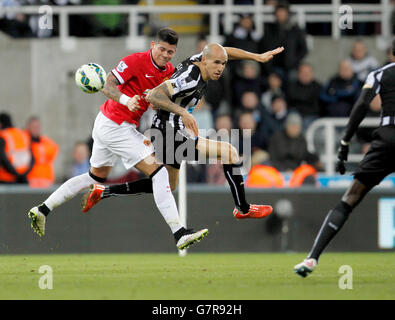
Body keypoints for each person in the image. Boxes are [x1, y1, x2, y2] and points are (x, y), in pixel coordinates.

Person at [27, 27, 208, 251]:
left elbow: (163, 96)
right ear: (153, 46)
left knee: (95, 176)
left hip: (109, 124)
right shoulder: (134, 61)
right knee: (159, 172)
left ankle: (42, 209)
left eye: (170, 52)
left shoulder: (169, 70)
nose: (165, 55)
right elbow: (106, 84)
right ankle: (179, 233)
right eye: (162, 49)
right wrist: (125, 100)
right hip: (116, 124)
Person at [82, 43, 284, 220]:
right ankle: (243, 208)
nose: (220, 68)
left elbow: (224, 52)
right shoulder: (190, 78)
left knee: (169, 186)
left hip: (167, 131)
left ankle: (104, 191)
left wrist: (256, 57)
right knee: (229, 152)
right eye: (216, 63)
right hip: (169, 133)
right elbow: (154, 95)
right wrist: (183, 113)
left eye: (223, 64)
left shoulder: (201, 59)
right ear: (204, 60)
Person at [294, 39, 395, 278]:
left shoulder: (379, 74)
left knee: (350, 198)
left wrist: (345, 142)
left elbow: (361, 106)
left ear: (392, 53)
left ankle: (312, 258)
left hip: (387, 140)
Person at [25, 116, 59, 188]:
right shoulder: (24, 140)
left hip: (46, 180)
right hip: (30, 180)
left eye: (37, 127)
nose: (36, 129)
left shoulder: (45, 140)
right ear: (28, 127)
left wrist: (37, 152)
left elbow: (54, 149)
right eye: (33, 126)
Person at [0, 112, 34, 184]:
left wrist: (16, 174)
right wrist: (24, 174)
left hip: (6, 179)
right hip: (23, 179)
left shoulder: (2, 135)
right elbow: (32, 157)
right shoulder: (23, 134)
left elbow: (3, 158)